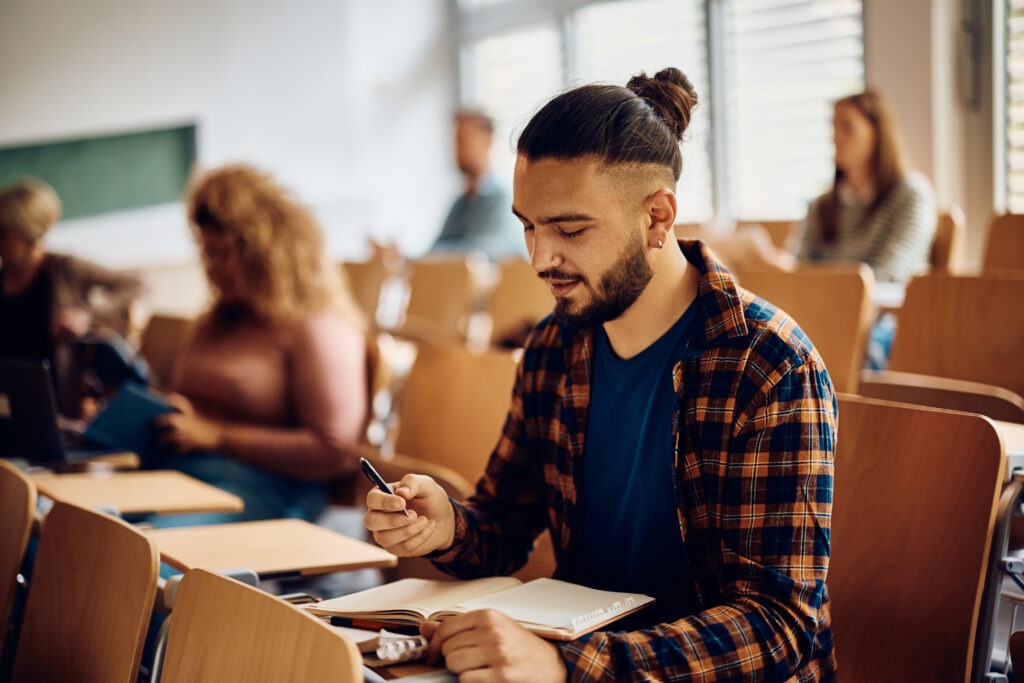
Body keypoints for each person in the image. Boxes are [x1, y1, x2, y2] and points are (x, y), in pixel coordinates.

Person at [364, 68, 837, 681]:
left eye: (570, 229)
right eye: (528, 226)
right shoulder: (554, 346)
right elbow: (507, 523)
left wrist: (568, 667)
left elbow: (778, 627)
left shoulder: (768, 364)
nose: (539, 258)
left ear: (658, 218)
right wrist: (447, 526)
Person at [151, 164, 371, 526]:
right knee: (66, 535)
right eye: (207, 254)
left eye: (223, 254)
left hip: (270, 489)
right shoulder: (222, 316)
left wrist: (220, 436)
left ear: (267, 251)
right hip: (182, 472)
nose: (212, 268)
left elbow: (336, 450)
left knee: (133, 560)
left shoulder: (317, 326)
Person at [0, 177, 146, 417]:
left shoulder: (65, 269)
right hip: (7, 402)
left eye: (3, 233)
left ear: (26, 232)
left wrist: (88, 317)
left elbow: (138, 284)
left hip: (57, 407)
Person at [797, 88, 936, 284]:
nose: (835, 138)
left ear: (878, 134)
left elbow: (894, 273)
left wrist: (825, 289)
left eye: (847, 128)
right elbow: (799, 271)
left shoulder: (911, 195)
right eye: (834, 128)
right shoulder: (820, 206)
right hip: (821, 311)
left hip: (886, 312)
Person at [428, 108, 527, 261]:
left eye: (463, 140)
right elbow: (434, 251)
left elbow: (477, 254)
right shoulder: (461, 203)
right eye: (455, 141)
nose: (457, 149)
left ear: (487, 142)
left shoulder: (503, 199)